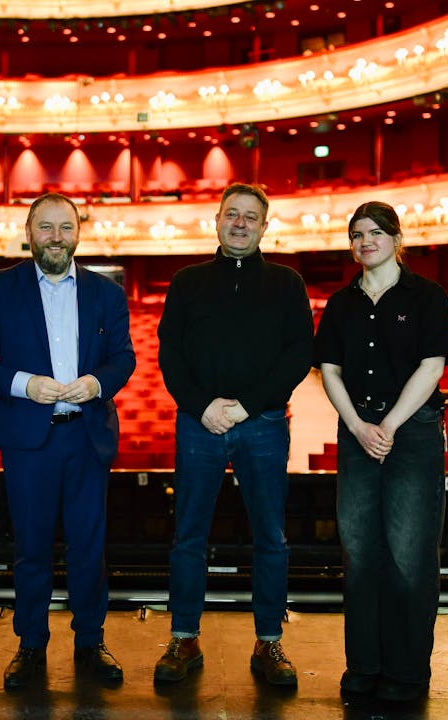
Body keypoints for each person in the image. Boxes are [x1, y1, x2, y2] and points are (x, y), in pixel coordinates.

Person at [0, 192, 136, 690]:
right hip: (28, 440)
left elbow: (123, 358)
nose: (56, 237)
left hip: (86, 437)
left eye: (65, 227)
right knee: (31, 548)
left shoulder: (106, 292)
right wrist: (25, 384)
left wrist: (97, 384)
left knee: (89, 547)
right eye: (46, 227)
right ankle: (31, 645)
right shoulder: (1, 288)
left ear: (79, 232)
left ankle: (90, 641)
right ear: (29, 231)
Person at [154, 183, 313, 687]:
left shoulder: (287, 283)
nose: (240, 224)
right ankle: (184, 637)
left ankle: (269, 642)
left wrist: (246, 406)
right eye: (232, 215)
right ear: (216, 220)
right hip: (199, 424)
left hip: (262, 423)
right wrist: (203, 407)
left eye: (251, 217)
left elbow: (297, 355)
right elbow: (169, 353)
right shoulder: (187, 281)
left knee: (270, 538)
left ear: (265, 227)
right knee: (188, 538)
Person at [313, 201, 448, 704]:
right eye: (356, 234)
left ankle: (407, 671)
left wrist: (389, 425)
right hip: (358, 432)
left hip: (412, 431)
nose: (364, 241)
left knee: (410, 557)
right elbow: (328, 369)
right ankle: (365, 665)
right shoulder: (340, 304)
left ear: (398, 238)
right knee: (359, 553)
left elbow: (433, 366)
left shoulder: (426, 297)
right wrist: (357, 425)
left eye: (375, 232)